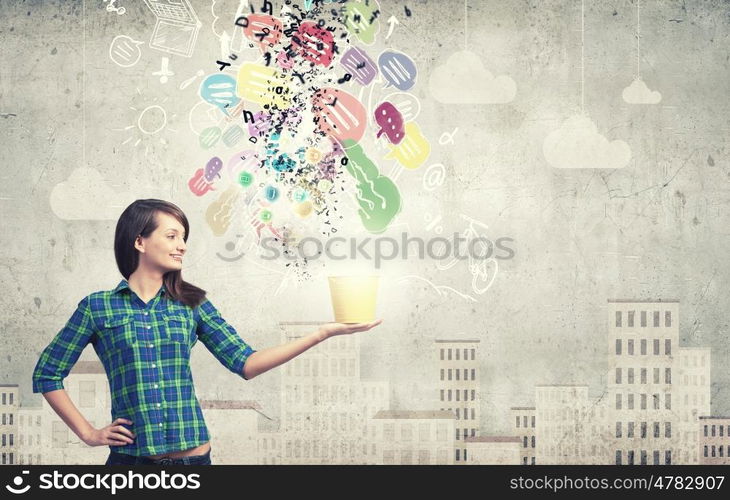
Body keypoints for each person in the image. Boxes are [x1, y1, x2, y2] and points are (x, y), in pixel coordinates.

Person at [32, 199, 382, 465]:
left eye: (183, 237)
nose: (182, 244)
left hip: (193, 460)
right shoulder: (98, 307)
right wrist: (89, 434)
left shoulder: (193, 304)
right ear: (139, 242)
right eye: (171, 235)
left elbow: (247, 363)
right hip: (130, 463)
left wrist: (322, 333)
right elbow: (48, 373)